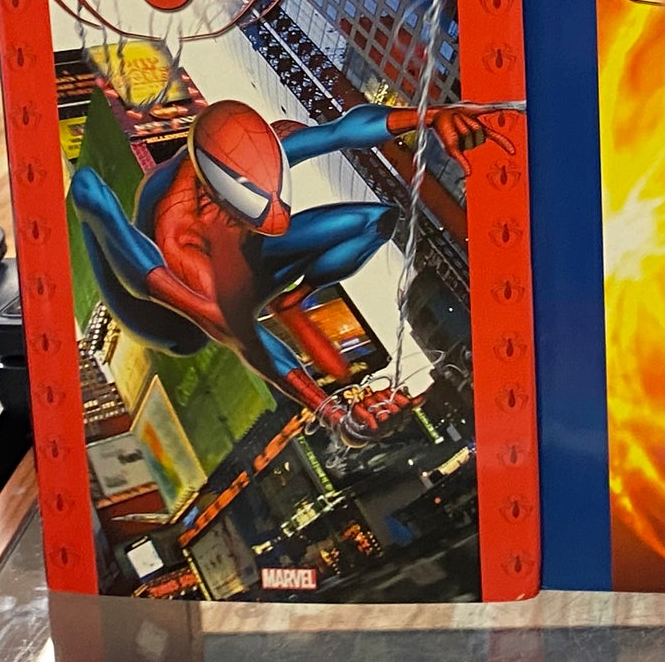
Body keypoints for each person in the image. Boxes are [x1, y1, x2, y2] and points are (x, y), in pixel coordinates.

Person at [70, 98, 498, 441]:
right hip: (165, 316)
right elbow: (246, 340)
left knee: (375, 220)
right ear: (220, 199)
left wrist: (431, 116)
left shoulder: (254, 155)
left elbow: (342, 131)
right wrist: (331, 412)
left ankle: (292, 300)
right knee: (90, 190)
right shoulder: (182, 247)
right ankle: (109, 231)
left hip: (246, 264)